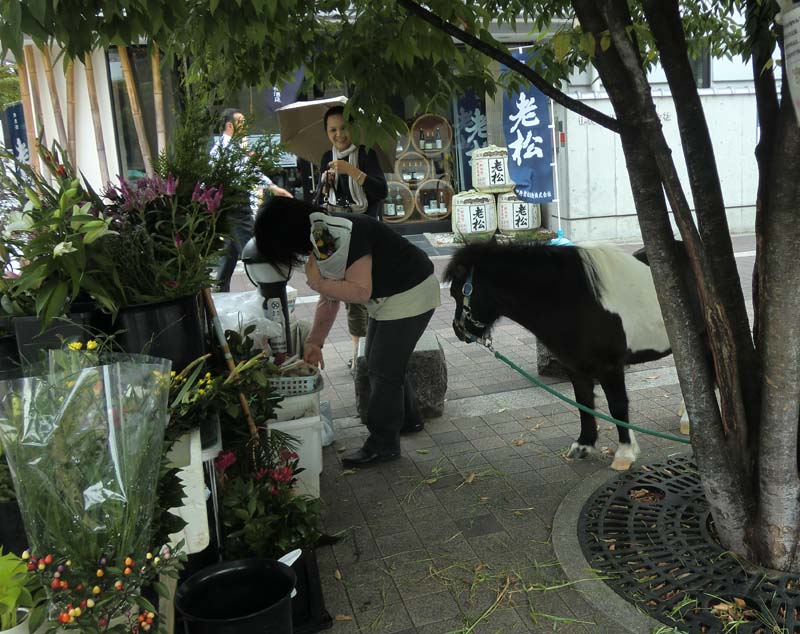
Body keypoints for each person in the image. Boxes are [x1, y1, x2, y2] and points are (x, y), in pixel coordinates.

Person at [254, 197, 439, 467]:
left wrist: (317, 283)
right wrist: (315, 341)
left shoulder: (342, 235)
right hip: (392, 297)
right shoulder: (324, 233)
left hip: (410, 294)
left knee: (381, 367)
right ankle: (409, 421)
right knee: (382, 363)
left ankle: (383, 444)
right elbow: (331, 295)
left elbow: (358, 290)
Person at [318, 105, 388, 370]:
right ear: (327, 133)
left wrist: (352, 171)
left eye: (343, 127)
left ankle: (376, 348)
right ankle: (359, 353)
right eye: (332, 130)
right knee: (352, 297)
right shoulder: (327, 157)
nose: (339, 134)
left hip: (367, 232)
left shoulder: (366, 153)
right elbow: (321, 200)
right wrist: (325, 182)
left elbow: (381, 191)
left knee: (371, 291)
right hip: (340, 234)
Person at [211, 108, 293, 292]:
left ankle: (220, 288)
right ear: (230, 125)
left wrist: (272, 187)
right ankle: (269, 287)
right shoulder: (224, 149)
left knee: (230, 250)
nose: (245, 126)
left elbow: (249, 172)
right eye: (242, 122)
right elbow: (243, 174)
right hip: (235, 205)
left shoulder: (232, 147)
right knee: (254, 248)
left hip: (232, 204)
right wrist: (272, 187)